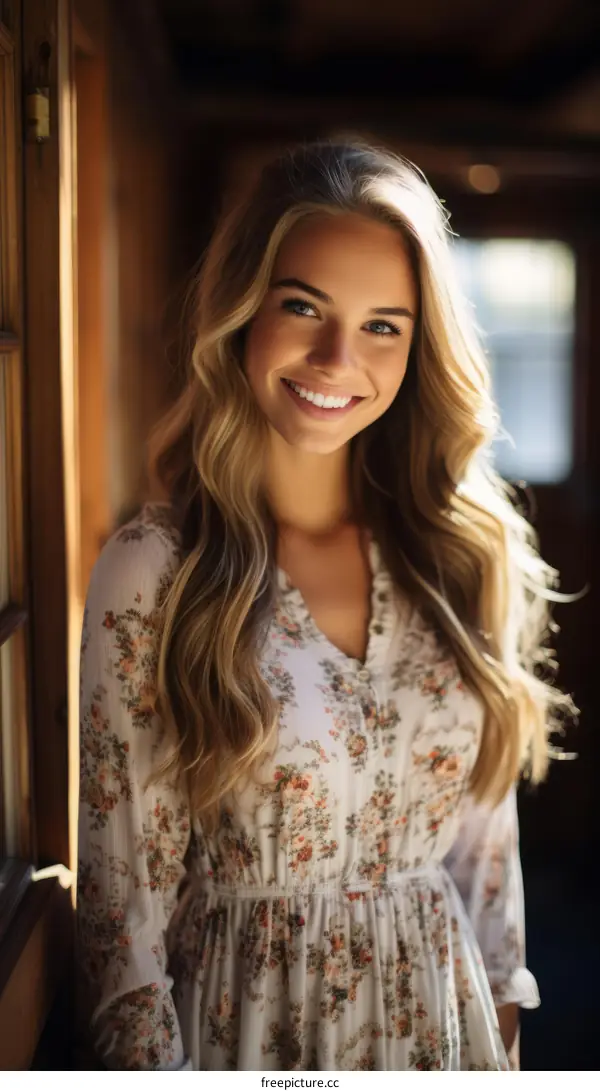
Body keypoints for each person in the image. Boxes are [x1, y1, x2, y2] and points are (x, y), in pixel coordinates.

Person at [76, 138, 578, 1071]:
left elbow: (486, 866)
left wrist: (504, 1033)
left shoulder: (464, 553)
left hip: (444, 1028)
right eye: (303, 306)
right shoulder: (157, 570)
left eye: (385, 324)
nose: (338, 357)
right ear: (242, 312)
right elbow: (121, 924)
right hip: (248, 1031)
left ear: (420, 343)